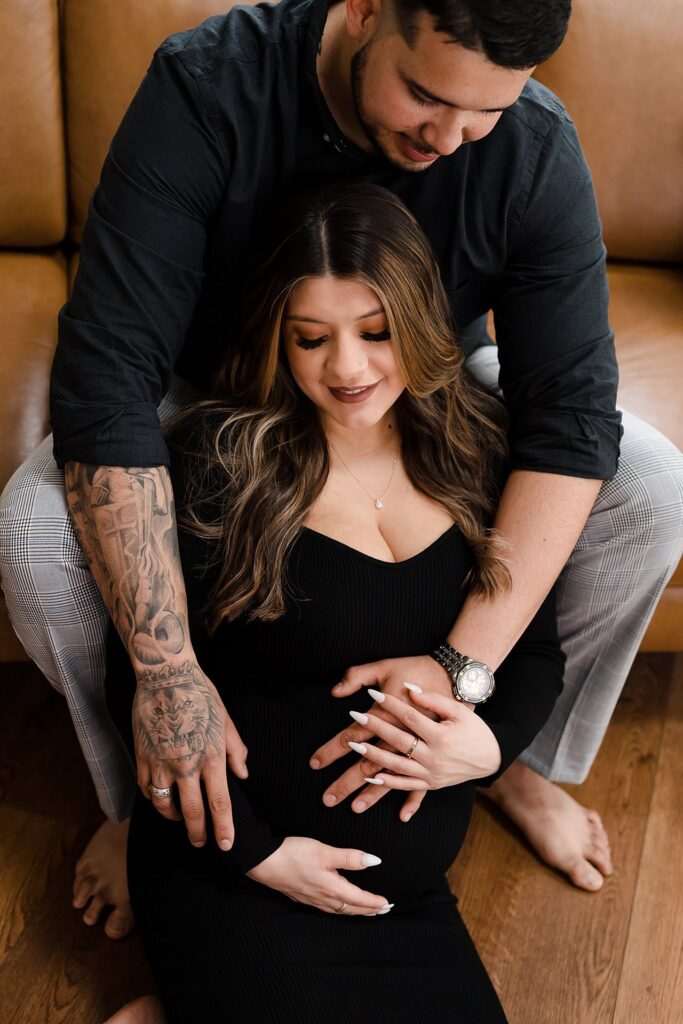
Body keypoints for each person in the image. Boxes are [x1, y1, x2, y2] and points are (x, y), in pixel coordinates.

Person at [0, 0, 681, 941]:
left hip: (426, 376)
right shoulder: (207, 86)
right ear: (364, 11)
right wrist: (167, 676)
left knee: (652, 487)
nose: (449, 139)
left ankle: (507, 760)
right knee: (34, 532)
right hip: (208, 383)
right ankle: (151, 797)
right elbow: (109, 377)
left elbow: (569, 415)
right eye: (426, 96)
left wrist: (460, 672)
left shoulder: (529, 145)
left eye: (483, 113)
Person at [104, 181, 564, 1024]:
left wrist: (485, 751)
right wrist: (262, 856)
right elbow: (140, 685)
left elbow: (535, 650)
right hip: (233, 871)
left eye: (376, 332)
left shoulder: (481, 450)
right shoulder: (217, 464)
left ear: (421, 321)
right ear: (275, 337)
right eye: (310, 339)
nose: (347, 369)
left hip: (404, 903)